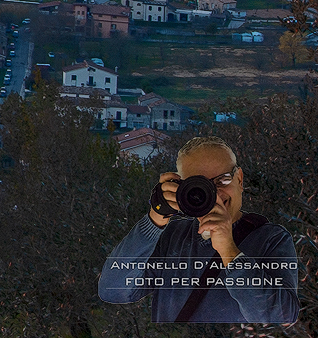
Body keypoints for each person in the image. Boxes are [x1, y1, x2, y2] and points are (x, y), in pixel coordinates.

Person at [98, 135, 299, 324]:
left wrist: (230, 252)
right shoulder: (172, 236)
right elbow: (113, 290)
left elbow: (280, 317)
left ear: (239, 179)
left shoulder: (272, 239)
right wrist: (154, 220)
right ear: (181, 190)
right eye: (200, 186)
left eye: (223, 180)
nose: (214, 194)